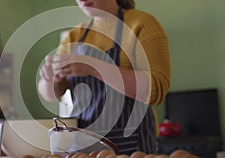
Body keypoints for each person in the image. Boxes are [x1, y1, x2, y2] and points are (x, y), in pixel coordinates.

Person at [38, 0, 170, 155]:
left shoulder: (142, 24)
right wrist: (49, 79)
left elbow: (156, 89)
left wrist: (94, 67)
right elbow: (50, 95)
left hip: (132, 146)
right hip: (83, 148)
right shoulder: (75, 35)